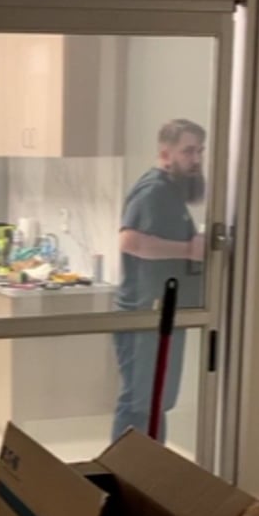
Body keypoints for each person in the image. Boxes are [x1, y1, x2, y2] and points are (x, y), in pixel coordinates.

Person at [111, 119, 207, 445]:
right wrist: (189, 250)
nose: (196, 159)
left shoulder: (171, 192)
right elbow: (130, 241)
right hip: (143, 314)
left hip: (163, 313)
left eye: (200, 151)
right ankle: (123, 472)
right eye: (188, 151)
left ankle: (151, 468)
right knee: (139, 404)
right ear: (166, 153)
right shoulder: (154, 190)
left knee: (155, 402)